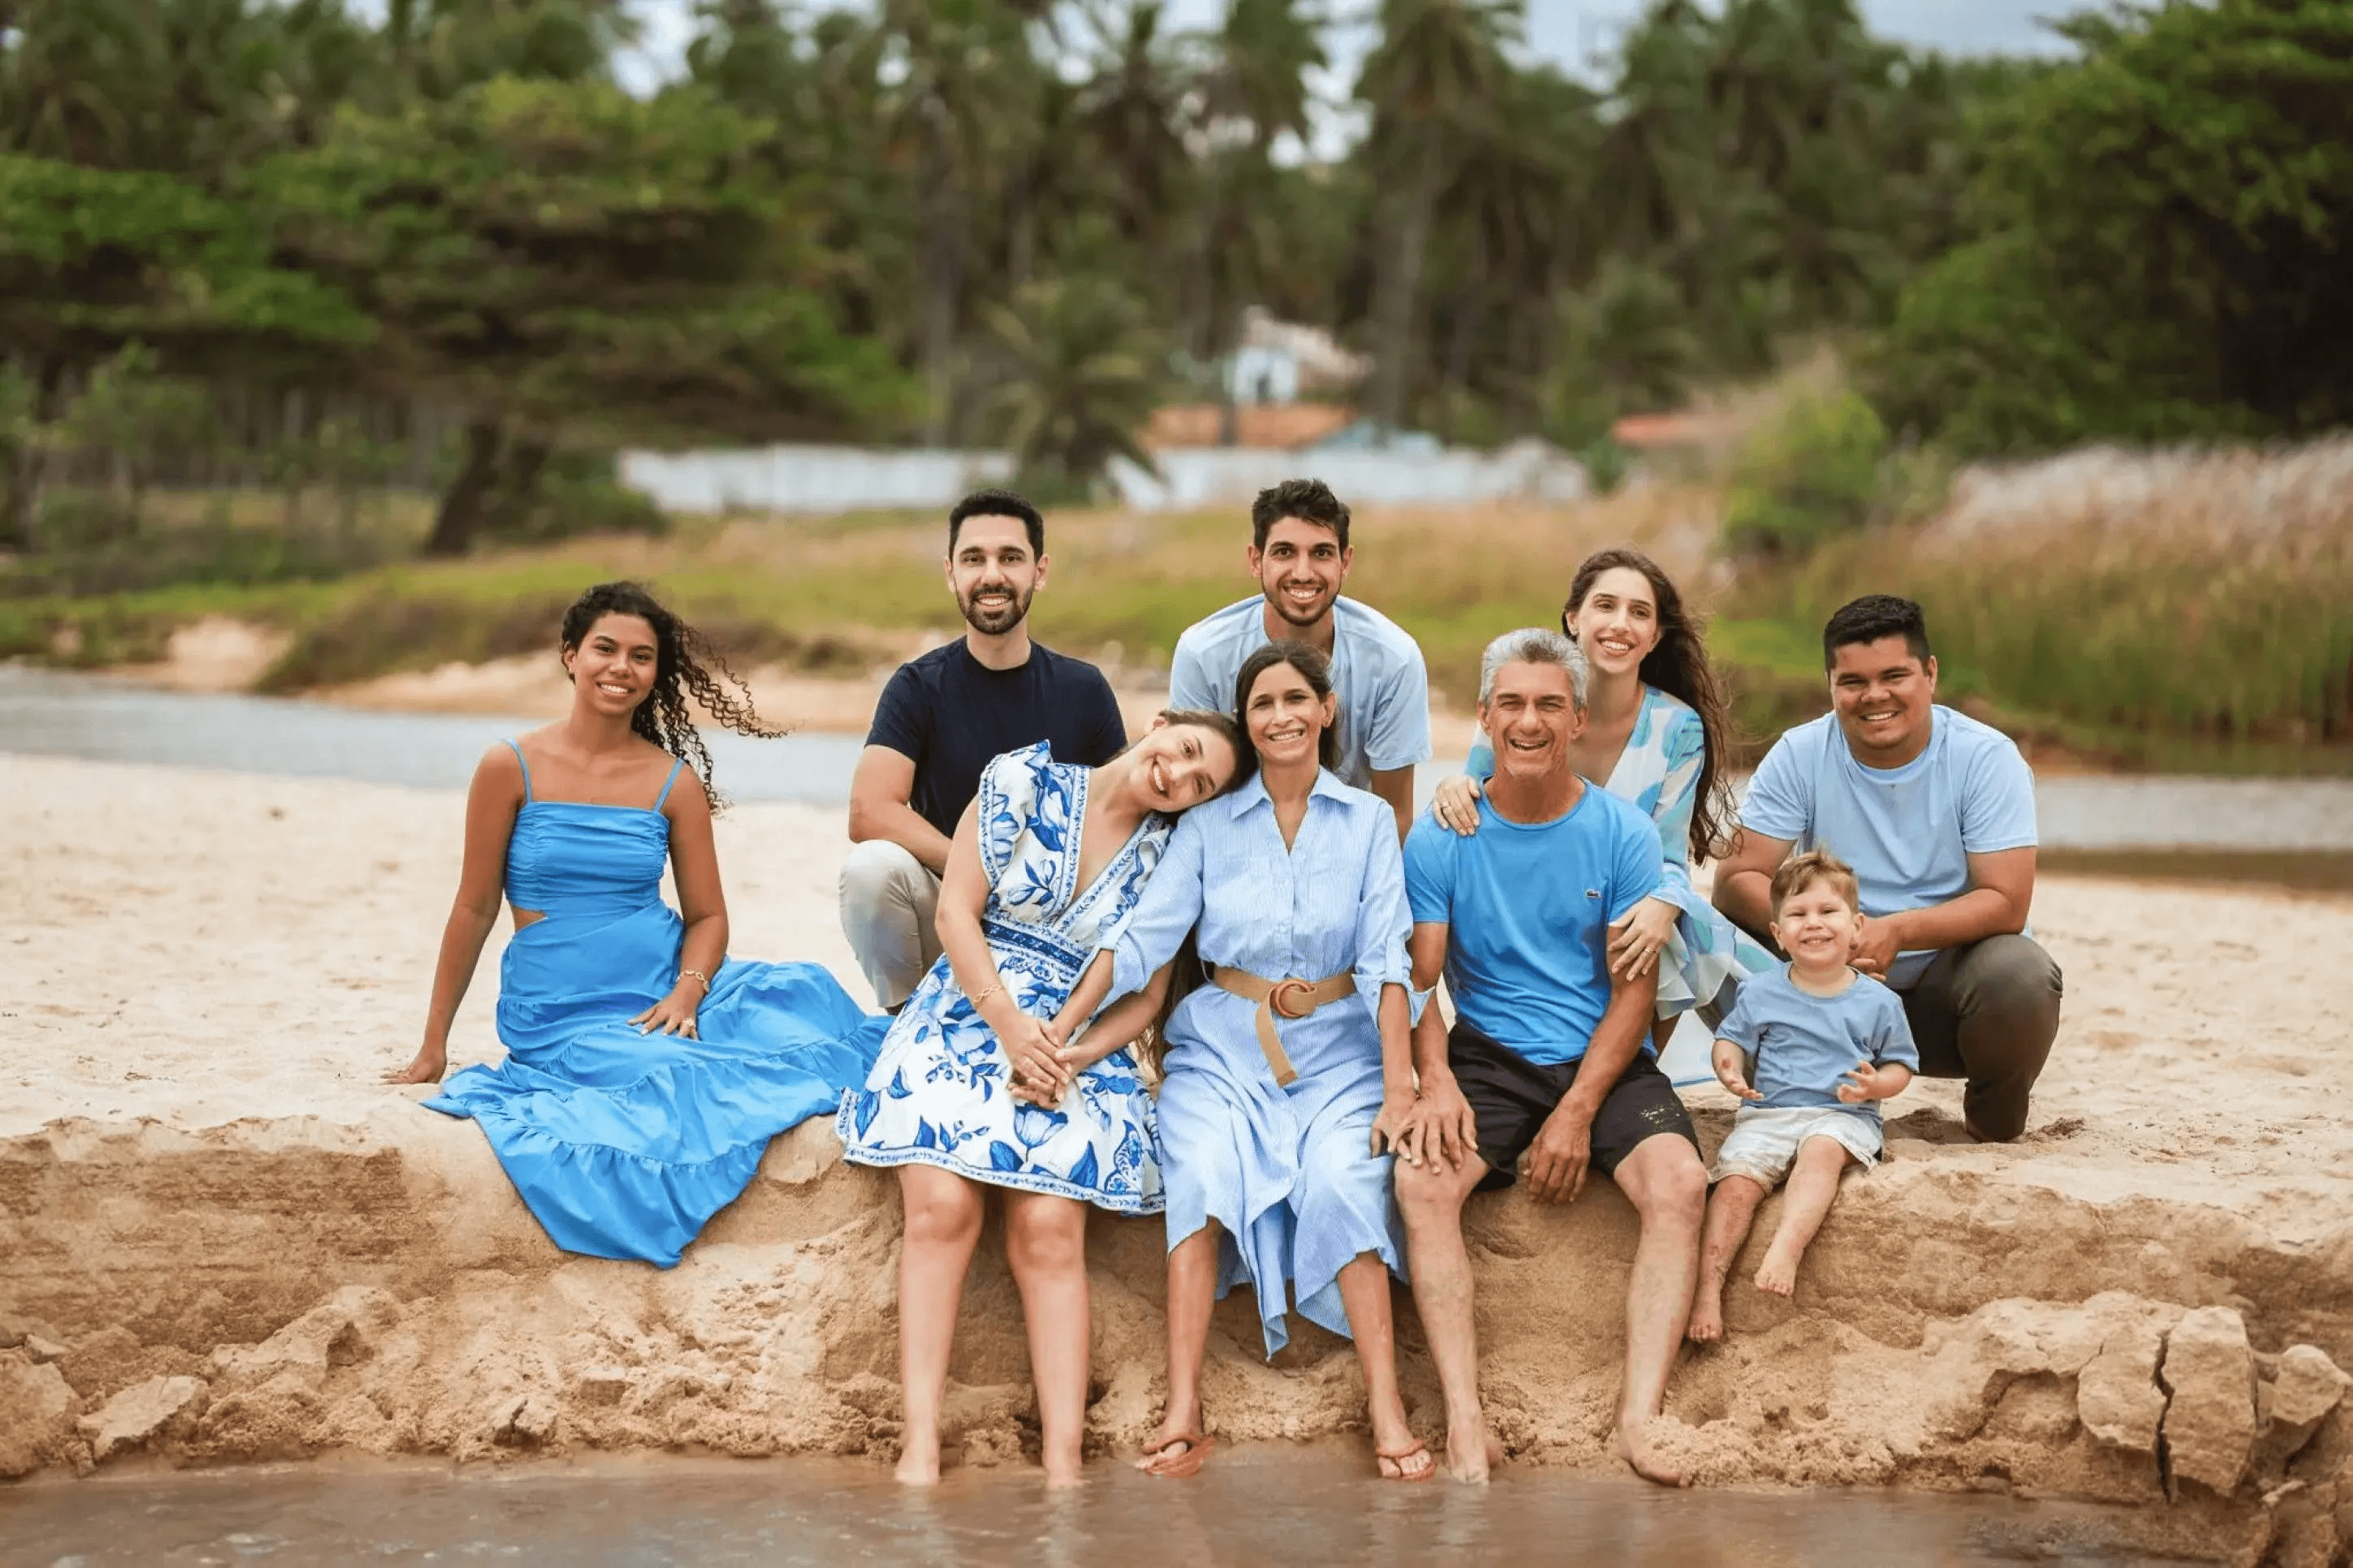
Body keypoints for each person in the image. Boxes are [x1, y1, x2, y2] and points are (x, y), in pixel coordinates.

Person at [387, 582, 889, 1269]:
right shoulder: (510, 766)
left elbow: (708, 916)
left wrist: (686, 993)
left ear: (656, 675)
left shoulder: (670, 781)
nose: (621, 667)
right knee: (674, 1075)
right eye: (605, 649)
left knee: (798, 999)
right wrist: (432, 1046)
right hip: (563, 1010)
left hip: (664, 982)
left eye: (641, 657)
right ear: (570, 656)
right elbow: (473, 908)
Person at [835, 713, 1250, 1488]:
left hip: (1076, 1043)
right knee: (942, 1209)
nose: (1177, 777)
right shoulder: (1021, 781)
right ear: (1158, 725)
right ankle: (920, 1445)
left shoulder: (1169, 855)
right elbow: (956, 912)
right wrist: (1006, 1024)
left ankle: (1063, 1465)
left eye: (1201, 785)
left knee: (1049, 1225)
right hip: (966, 1005)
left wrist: (1073, 1053)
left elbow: (1146, 998)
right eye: (1184, 752)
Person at [1082, 640, 1430, 1483]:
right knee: (1197, 1173)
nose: (1279, 717)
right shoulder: (1203, 825)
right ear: (1248, 720)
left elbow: (1389, 957)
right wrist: (1061, 1029)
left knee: (1348, 1184)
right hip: (1221, 1049)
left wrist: (1397, 1085)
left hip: (1344, 1051)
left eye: (1294, 700)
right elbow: (1145, 943)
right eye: (1262, 704)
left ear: (1326, 710)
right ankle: (1182, 1407)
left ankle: (1385, 1406)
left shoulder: (1369, 822)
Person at [1394, 629, 1709, 1488]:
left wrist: (1575, 1111)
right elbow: (1420, 984)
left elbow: (1634, 994)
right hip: (1488, 1057)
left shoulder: (1621, 835)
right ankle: (1466, 1422)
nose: (1528, 721)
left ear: (1575, 720)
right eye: (1511, 704)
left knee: (1680, 1185)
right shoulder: (1441, 837)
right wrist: (1437, 1081)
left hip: (1602, 1055)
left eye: (1547, 705)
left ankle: (1639, 1418)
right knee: (1421, 1184)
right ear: (1486, 718)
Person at [1711, 595, 2062, 1143]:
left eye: (1894, 675)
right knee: (1698, 931)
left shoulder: (1984, 757)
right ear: (1830, 684)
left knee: (2019, 975)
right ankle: (1799, 1087)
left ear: (1929, 674)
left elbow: (2006, 900)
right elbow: (1734, 881)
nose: (1874, 696)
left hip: (1947, 995)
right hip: (1824, 982)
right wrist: (1824, 937)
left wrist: (1895, 929)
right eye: (1852, 681)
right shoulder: (1798, 753)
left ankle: (1991, 1112)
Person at [1431, 548, 1771, 1042]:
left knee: (1672, 916)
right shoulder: (1527, 700)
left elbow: (1669, 859)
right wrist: (1450, 785)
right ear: (1574, 619)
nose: (1620, 624)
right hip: (1529, 890)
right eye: (1605, 606)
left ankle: (1641, 1061)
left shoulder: (1676, 728)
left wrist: (1666, 902)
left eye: (1639, 613)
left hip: (1621, 904)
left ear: (1655, 636)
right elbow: (1479, 801)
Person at [842, 489, 1127, 1010]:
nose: (991, 575)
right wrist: (974, 872)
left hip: (1055, 922)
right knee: (871, 872)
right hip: (949, 907)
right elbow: (870, 811)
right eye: (974, 559)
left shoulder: (1084, 689)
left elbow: (1122, 817)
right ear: (951, 572)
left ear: (1039, 572)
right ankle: (905, 1016)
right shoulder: (917, 686)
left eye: (1010, 558)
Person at [1687, 851, 1917, 1342]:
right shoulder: (1761, 991)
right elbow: (1733, 1038)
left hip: (1842, 1114)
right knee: (1735, 1185)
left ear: (1856, 927)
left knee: (1821, 1152)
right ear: (1777, 933)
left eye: (1827, 912)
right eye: (1797, 914)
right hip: (1768, 1114)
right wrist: (1725, 1062)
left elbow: (1901, 1063)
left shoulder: (1879, 1001)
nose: (1813, 924)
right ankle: (1708, 1286)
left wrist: (1878, 1085)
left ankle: (1786, 1249)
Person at [1168, 479, 1430, 840]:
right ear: (1256, 560)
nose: (1303, 572)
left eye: (1321, 553)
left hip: (1349, 851)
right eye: (1285, 552)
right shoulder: (1202, 653)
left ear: (1345, 561)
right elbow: (1191, 804)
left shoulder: (1394, 660)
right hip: (1234, 848)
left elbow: (1396, 814)